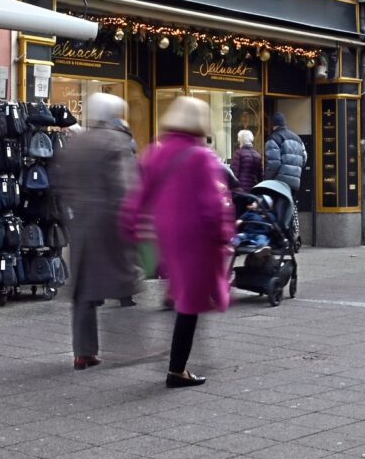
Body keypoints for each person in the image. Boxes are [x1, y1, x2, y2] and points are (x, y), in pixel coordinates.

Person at [120, 96, 234, 388]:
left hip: (167, 236)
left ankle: (178, 361)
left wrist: (131, 227)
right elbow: (214, 204)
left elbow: (139, 194)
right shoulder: (202, 156)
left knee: (184, 294)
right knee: (191, 302)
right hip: (195, 237)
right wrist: (224, 236)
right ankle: (176, 369)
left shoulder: (156, 151)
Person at [57, 93, 141, 369]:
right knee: (124, 280)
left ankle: (83, 352)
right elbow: (125, 186)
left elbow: (62, 182)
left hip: (81, 223)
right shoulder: (117, 142)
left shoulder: (77, 143)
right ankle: (129, 346)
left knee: (84, 290)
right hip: (109, 221)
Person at [263, 111, 307, 193]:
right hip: (295, 182)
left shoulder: (274, 138)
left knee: (276, 205)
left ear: (273, 125)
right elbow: (304, 158)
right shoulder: (297, 138)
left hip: (279, 183)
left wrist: (266, 180)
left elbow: (274, 163)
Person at [231, 128, 264, 193]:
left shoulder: (239, 153)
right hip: (253, 189)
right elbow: (260, 176)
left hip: (241, 189)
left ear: (241, 140)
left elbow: (234, 173)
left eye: (239, 139)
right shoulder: (257, 155)